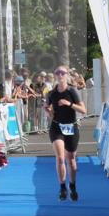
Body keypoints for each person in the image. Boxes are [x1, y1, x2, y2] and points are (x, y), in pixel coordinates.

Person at [45, 66, 87, 201]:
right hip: (56, 127)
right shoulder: (51, 93)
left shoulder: (72, 91)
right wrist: (48, 111)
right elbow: (47, 109)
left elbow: (83, 110)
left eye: (62, 73)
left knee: (71, 160)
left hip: (71, 127)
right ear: (55, 76)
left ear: (67, 75)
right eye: (57, 73)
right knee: (60, 158)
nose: (60, 75)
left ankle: (72, 185)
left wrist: (69, 104)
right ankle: (62, 187)